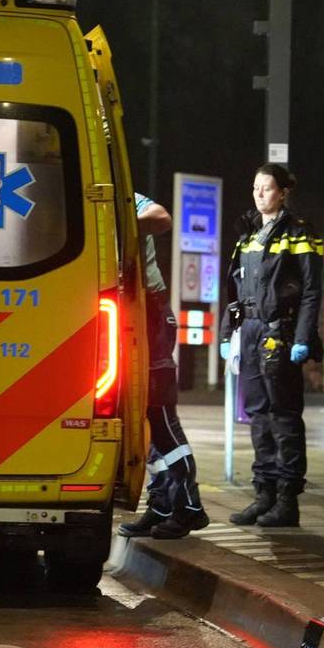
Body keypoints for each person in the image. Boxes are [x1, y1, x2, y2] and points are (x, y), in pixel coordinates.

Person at [219, 163, 324, 528]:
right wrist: (227, 334)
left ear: (283, 192)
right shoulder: (248, 233)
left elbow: (311, 290)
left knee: (283, 416)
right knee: (258, 415)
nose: (259, 194)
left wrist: (303, 338)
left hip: (280, 332)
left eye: (266, 188)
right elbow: (235, 290)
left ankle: (286, 499)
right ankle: (263, 494)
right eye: (255, 187)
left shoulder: (297, 232)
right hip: (249, 331)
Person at [117, 193, 209, 540]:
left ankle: (189, 507)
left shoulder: (127, 196)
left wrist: (118, 221)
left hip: (150, 313)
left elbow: (161, 218)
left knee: (161, 416)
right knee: (142, 419)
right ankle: (161, 504)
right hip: (127, 311)